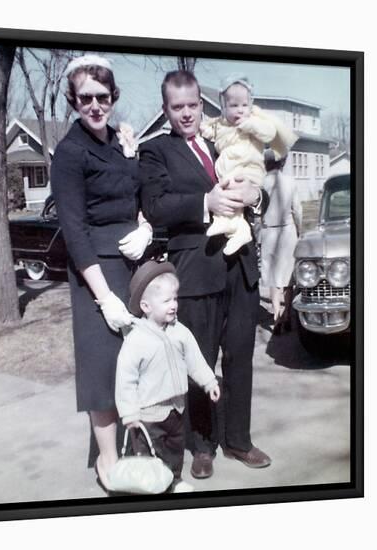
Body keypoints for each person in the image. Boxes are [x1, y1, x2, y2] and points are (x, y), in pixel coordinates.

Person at [139, 70, 271, 480]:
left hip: (240, 265)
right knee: (198, 362)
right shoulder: (155, 151)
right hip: (196, 269)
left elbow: (254, 177)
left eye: (192, 105)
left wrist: (257, 196)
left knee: (240, 358)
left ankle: (238, 440)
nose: (186, 114)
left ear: (202, 104)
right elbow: (156, 205)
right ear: (166, 110)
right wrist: (205, 200)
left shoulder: (224, 138)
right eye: (177, 107)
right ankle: (202, 445)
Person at [50, 54, 153, 491]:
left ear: (113, 98)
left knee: (137, 363)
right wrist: (104, 297)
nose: (95, 104)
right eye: (85, 97)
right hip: (96, 272)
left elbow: (137, 192)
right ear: (74, 100)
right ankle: (107, 459)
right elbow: (73, 230)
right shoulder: (71, 153)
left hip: (133, 264)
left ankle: (135, 447)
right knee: (103, 367)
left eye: (102, 96)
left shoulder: (121, 141)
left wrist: (146, 225)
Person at [115, 261, 220, 493]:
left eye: (175, 299)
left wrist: (209, 381)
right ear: (146, 306)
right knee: (151, 455)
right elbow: (125, 379)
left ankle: (172, 481)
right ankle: (151, 489)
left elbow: (195, 359)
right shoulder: (136, 340)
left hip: (176, 409)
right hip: (148, 414)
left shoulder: (180, 331)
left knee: (174, 448)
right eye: (166, 301)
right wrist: (129, 412)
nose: (174, 305)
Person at [200, 75, 298, 255]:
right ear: (224, 107)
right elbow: (211, 131)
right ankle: (238, 230)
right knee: (227, 196)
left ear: (250, 105)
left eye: (244, 105)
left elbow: (269, 133)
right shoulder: (221, 124)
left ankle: (231, 224)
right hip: (229, 170)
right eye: (234, 106)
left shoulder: (253, 121)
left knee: (231, 193)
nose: (239, 111)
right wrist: (203, 129)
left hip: (248, 170)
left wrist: (250, 124)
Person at [260, 150, 302, 334]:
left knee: (273, 278)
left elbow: (257, 214)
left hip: (268, 232)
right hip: (287, 232)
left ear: (266, 163)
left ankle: (276, 316)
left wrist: (258, 236)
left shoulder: (260, 183)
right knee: (287, 278)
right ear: (282, 163)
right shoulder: (290, 182)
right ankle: (287, 317)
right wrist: (300, 231)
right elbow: (298, 211)